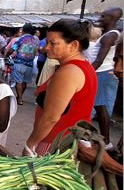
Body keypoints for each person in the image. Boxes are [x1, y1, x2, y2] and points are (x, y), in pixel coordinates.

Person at [23, 19, 97, 157]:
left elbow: (51, 117)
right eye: (47, 42)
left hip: (55, 144)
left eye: (53, 43)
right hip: (68, 141)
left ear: (73, 45)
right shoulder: (84, 66)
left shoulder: (69, 72)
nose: (46, 48)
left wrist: (30, 144)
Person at [87, 7, 122, 151]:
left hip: (101, 73)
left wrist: (86, 73)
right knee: (99, 107)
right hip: (100, 73)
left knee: (101, 108)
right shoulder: (108, 35)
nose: (100, 19)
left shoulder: (110, 36)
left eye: (103, 16)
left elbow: (99, 59)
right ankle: (104, 140)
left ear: (112, 19)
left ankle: (106, 141)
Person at [5, 23, 39, 105]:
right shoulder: (35, 40)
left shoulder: (20, 39)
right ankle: (20, 97)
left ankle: (19, 98)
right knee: (24, 81)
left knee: (18, 81)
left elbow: (13, 49)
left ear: (23, 30)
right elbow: (36, 52)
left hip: (19, 62)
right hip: (30, 64)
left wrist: (7, 55)